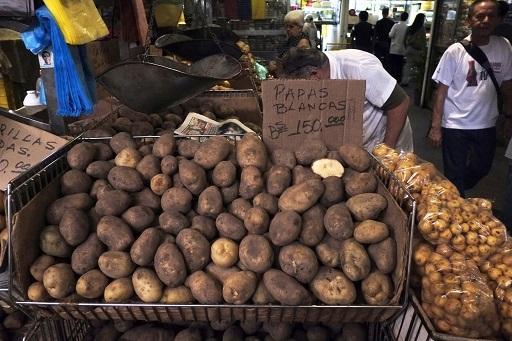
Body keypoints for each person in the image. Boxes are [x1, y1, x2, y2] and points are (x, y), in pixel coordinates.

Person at [429, 0, 512, 197]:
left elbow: (508, 86)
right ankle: (455, 205)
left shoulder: (504, 47)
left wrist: (509, 116)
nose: (485, 20)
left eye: (491, 16)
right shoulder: (455, 51)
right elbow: (441, 91)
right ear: (469, 20)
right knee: (454, 173)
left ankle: (450, 192)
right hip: (455, 125)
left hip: (486, 124)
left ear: (499, 19)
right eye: (480, 16)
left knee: (482, 168)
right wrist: (435, 126)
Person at [278, 47, 413, 152]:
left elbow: (400, 103)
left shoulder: (360, 68)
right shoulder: (323, 72)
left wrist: (387, 151)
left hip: (386, 138)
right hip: (358, 144)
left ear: (315, 75)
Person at [401, 13, 427, 86]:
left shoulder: (410, 28)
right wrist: (423, 50)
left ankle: (405, 81)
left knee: (408, 66)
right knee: (419, 66)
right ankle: (418, 83)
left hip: (409, 48)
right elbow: (424, 41)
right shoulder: (422, 29)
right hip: (417, 50)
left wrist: (407, 47)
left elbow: (404, 39)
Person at [388, 12, 409, 83]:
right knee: (399, 66)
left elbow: (390, 35)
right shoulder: (407, 27)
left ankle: (391, 80)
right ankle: (398, 80)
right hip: (402, 50)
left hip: (394, 49)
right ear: (407, 18)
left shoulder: (396, 25)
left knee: (392, 65)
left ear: (400, 17)